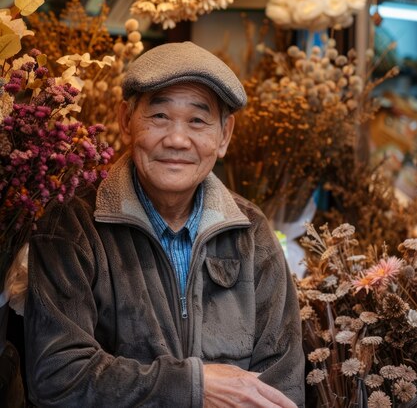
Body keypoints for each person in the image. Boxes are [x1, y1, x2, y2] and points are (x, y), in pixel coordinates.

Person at [24, 41, 305, 408]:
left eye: (198, 121)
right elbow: (56, 375)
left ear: (224, 136)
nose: (176, 139)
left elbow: (282, 384)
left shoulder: (250, 231)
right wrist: (193, 386)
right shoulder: (72, 224)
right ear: (125, 121)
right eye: (159, 117)